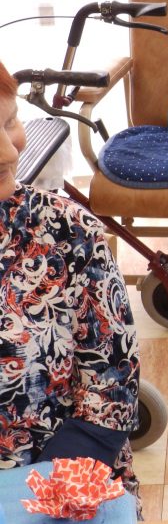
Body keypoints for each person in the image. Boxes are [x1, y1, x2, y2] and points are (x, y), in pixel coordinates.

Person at [0, 61, 140, 499]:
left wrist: (50, 490)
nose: (8, 153)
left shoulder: (64, 230)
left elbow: (112, 377)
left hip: (66, 485)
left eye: (9, 122)